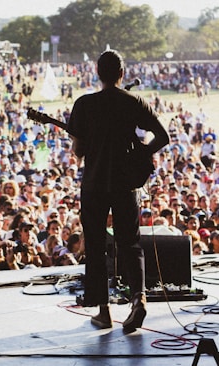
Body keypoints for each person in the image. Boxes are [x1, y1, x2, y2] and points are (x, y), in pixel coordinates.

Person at [67, 50, 169, 332]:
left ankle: (103, 311)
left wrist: (83, 142)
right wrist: (141, 152)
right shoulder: (134, 101)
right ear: (122, 74)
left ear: (98, 73)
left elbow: (79, 150)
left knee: (97, 245)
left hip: (95, 183)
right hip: (126, 183)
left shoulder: (84, 104)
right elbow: (163, 136)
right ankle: (139, 298)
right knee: (130, 242)